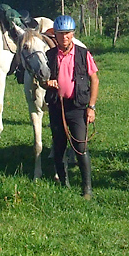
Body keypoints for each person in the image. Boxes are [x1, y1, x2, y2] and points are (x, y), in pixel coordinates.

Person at [43, 15, 99, 199]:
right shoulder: (49, 56)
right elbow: (42, 80)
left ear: (73, 34)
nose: (64, 37)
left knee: (80, 147)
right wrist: (47, 83)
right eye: (60, 34)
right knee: (58, 147)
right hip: (57, 106)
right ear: (55, 36)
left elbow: (94, 80)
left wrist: (91, 107)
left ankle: (87, 188)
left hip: (77, 106)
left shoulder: (83, 54)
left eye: (67, 34)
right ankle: (64, 185)